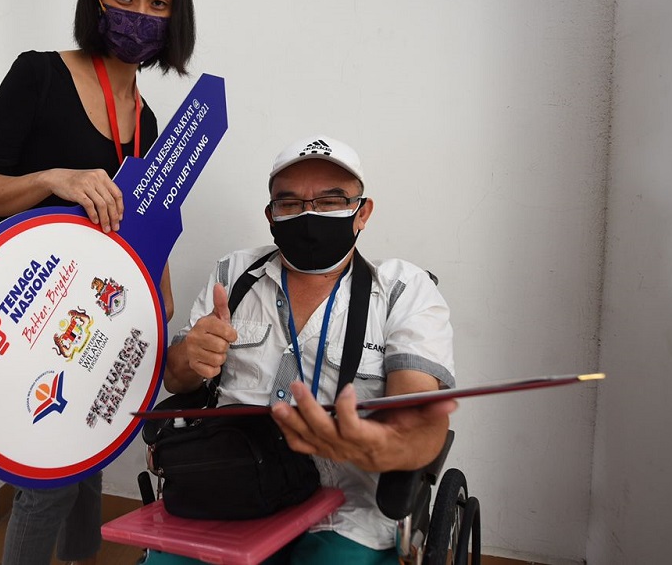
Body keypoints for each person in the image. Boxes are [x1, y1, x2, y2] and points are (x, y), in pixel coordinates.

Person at [0, 0, 196, 565]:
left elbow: (140, 223)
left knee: (86, 466)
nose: (139, 14)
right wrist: (52, 178)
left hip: (99, 323)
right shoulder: (38, 75)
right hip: (30, 322)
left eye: (157, 2)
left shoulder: (146, 118)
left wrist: (160, 304)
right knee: (48, 482)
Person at [156, 135, 457, 565]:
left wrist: (380, 444)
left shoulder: (403, 292)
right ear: (271, 216)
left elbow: (421, 420)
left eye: (332, 200)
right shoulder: (233, 273)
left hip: (345, 508)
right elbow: (176, 378)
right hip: (229, 488)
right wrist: (190, 356)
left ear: (363, 212)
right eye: (291, 203)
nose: (310, 214)